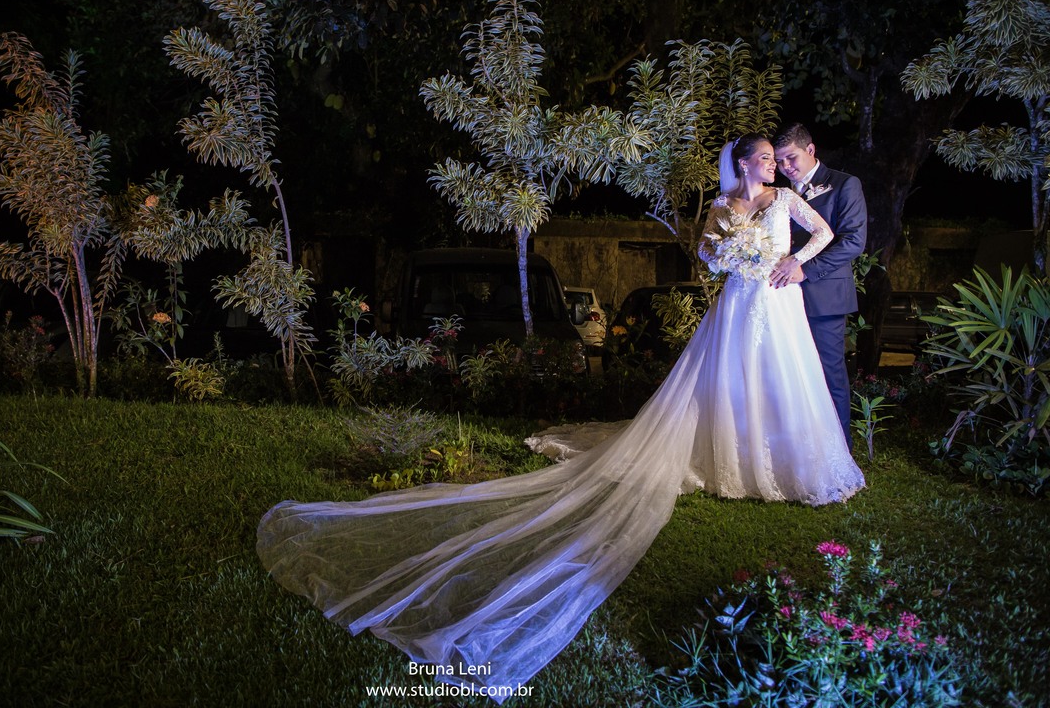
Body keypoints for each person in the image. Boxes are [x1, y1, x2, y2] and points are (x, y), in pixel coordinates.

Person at [256, 135, 865, 703]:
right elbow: (707, 256)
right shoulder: (721, 205)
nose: (768, 164)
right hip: (737, 303)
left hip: (779, 304)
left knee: (785, 387)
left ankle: (785, 458)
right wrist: (725, 254)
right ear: (741, 164)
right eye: (760, 157)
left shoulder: (785, 198)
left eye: (771, 157)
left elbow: (825, 233)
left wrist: (798, 265)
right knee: (728, 385)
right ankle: (732, 452)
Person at [769, 123, 868, 449]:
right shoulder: (777, 195)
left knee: (829, 374)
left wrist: (805, 269)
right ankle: (799, 446)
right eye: (780, 161)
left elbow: (853, 241)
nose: (786, 167)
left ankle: (841, 448)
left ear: (811, 150)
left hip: (824, 295)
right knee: (789, 373)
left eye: (792, 158)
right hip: (780, 297)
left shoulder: (844, 185)